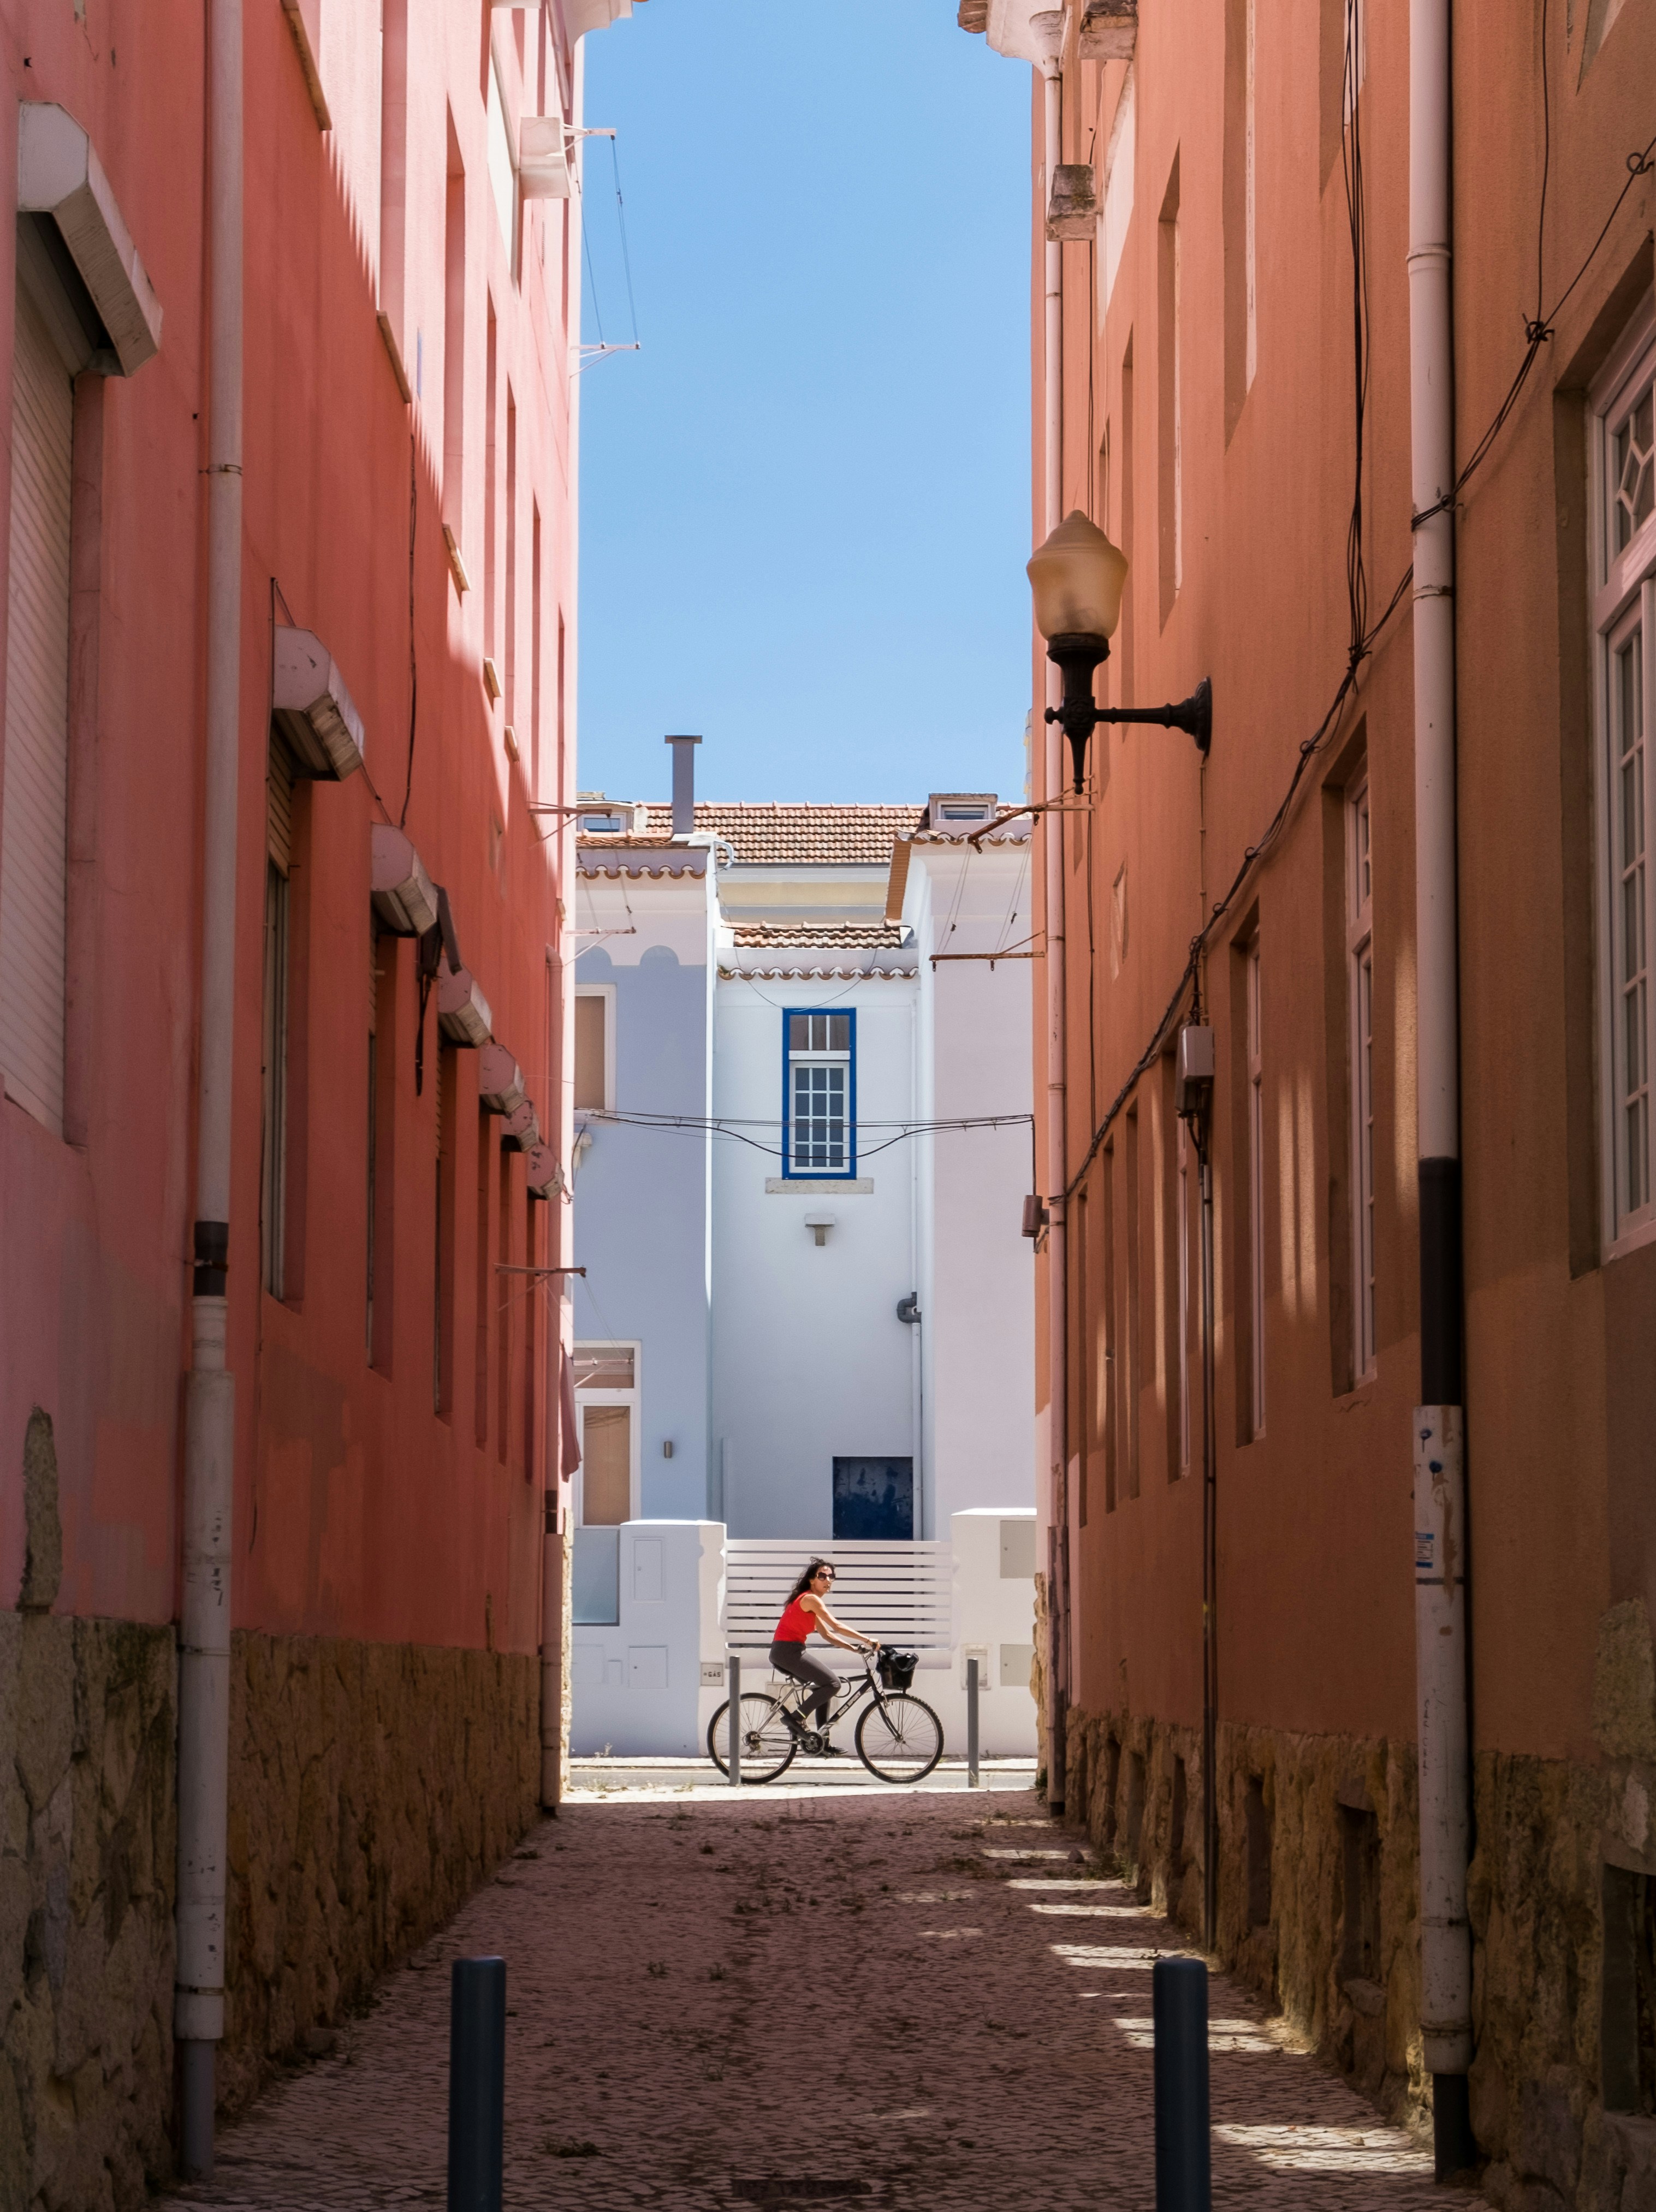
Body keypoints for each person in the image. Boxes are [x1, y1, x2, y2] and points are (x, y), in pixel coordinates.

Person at [770, 1559, 879, 1755]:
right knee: (833, 1684)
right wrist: (868, 1640)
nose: (828, 1580)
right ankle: (795, 1718)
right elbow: (836, 1626)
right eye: (822, 1576)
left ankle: (823, 1743)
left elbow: (827, 1635)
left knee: (824, 1688)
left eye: (831, 1576)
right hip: (788, 1651)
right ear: (812, 1580)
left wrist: (854, 1649)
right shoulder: (810, 1599)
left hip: (787, 1652)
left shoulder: (811, 1603)